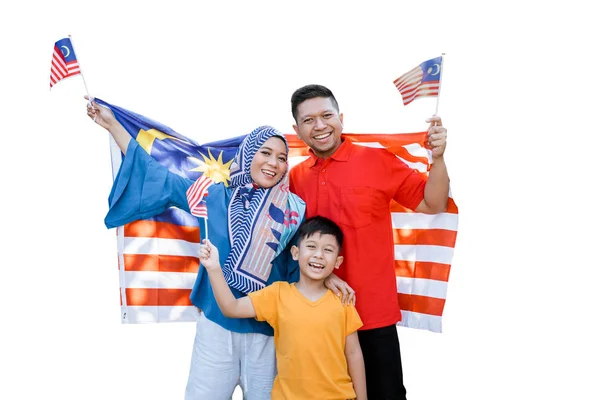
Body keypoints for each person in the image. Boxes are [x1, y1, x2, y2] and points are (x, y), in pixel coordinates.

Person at [85, 99, 313, 400]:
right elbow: (159, 177)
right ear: (247, 154)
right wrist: (113, 124)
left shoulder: (293, 210)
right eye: (266, 153)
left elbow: (301, 269)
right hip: (216, 326)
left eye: (282, 158)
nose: (274, 163)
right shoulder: (212, 196)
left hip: (268, 331)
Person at [287, 84, 450, 400]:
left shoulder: (378, 161)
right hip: (314, 314)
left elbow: (434, 204)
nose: (319, 126)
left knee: (385, 394)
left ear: (341, 118)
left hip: (371, 313)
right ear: (297, 129)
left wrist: (439, 159)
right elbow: (289, 243)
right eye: (308, 121)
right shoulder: (295, 177)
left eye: (326, 115)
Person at [199, 215, 367, 400]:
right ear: (295, 253)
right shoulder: (277, 295)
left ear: (337, 261)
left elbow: (353, 353)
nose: (319, 255)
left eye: (328, 250)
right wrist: (213, 268)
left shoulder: (341, 300)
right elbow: (231, 308)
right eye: (311, 246)